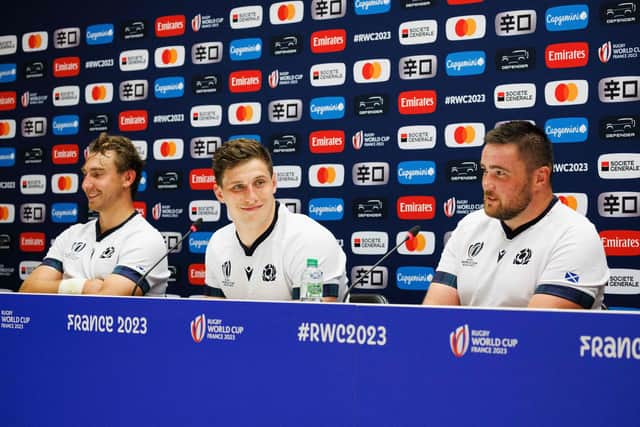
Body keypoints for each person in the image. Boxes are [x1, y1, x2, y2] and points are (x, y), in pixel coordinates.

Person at [423, 121, 609, 309]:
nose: (487, 184)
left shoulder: (575, 235)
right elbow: (434, 315)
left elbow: (542, 329)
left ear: (540, 178)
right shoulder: (469, 226)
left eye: (499, 173)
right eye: (485, 171)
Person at [19, 133, 169, 296]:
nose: (85, 184)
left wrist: (57, 286)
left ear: (127, 178)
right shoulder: (72, 235)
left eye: (97, 174)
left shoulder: (145, 238)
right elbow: (28, 290)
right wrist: (82, 287)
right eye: (86, 174)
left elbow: (107, 301)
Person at [204, 138, 348, 301]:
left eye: (259, 183)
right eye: (238, 187)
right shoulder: (218, 243)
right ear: (219, 194)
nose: (251, 197)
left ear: (273, 183)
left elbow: (312, 322)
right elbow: (213, 317)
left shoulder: (310, 239)